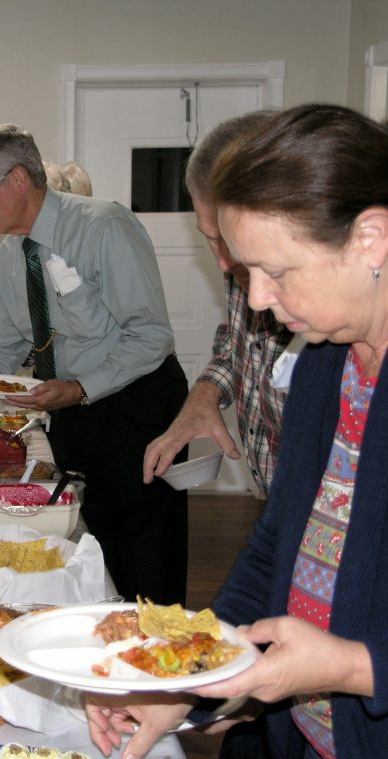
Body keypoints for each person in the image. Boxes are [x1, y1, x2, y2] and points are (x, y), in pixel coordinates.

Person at [86, 104, 388, 759]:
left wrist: (347, 666)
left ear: (370, 238)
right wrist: (193, 679)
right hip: (308, 737)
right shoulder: (326, 350)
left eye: (277, 272)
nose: (255, 301)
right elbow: (279, 543)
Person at [0, 124, 189, 605]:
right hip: (76, 412)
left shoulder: (104, 227)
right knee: (97, 548)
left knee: (149, 556)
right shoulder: (9, 259)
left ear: (18, 180)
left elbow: (150, 335)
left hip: (139, 408)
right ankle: (107, 648)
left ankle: (161, 663)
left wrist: (80, 387)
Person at [144, 111, 292, 498]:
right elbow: (238, 343)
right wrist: (204, 394)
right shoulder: (238, 265)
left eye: (228, 240)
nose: (224, 263)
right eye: (210, 239)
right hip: (272, 496)